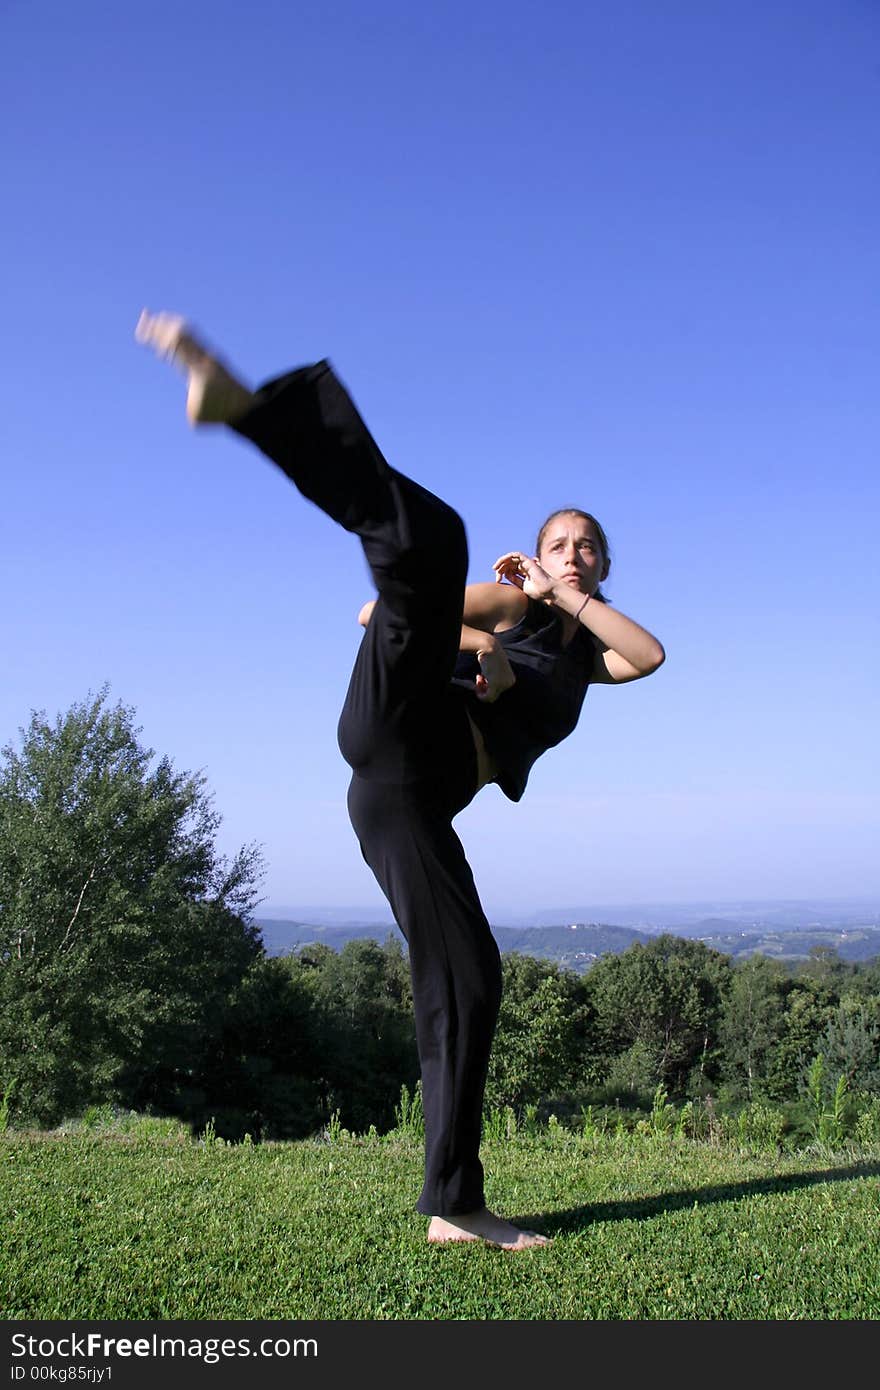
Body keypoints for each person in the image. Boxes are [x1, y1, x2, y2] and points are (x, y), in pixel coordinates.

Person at [135, 310, 666, 1251]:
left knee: (470, 978)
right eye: (558, 544)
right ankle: (244, 407)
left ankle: (454, 1208)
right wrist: (488, 646)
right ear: (533, 558)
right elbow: (378, 609)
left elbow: (650, 654)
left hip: (408, 800)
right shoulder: (506, 601)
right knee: (435, 543)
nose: (573, 553)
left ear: (601, 567)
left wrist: (565, 604)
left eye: (587, 547)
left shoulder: (587, 653)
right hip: (402, 720)